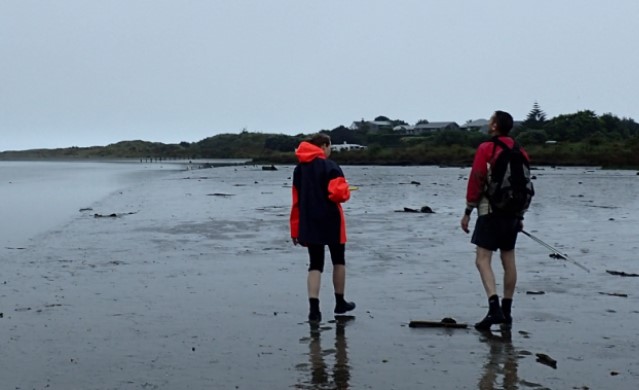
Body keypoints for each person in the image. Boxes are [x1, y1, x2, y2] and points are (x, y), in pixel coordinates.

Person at [460, 110, 530, 331]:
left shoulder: (487, 148)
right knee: (508, 259)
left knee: (482, 259)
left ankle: (494, 308)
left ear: (494, 126)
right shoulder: (521, 151)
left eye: (491, 120)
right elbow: (524, 185)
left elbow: (477, 177)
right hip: (513, 214)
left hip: (490, 210)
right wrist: (520, 216)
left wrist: (468, 210)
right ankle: (507, 311)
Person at [290, 133, 356, 323]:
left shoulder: (299, 169)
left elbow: (296, 201)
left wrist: (295, 229)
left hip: (309, 221)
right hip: (331, 220)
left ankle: (314, 310)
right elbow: (338, 195)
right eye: (330, 147)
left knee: (315, 264)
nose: (330, 151)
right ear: (324, 145)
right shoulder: (331, 166)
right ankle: (340, 302)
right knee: (338, 261)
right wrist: (346, 189)